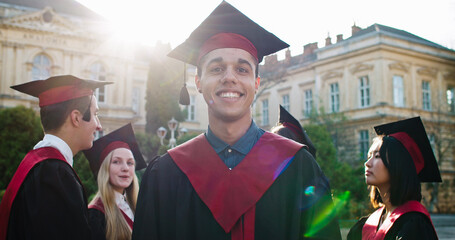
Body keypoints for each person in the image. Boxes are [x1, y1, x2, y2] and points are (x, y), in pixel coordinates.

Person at [132, 2, 341, 240]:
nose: (229, 77)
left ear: (256, 83)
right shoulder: (166, 175)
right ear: (198, 82)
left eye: (242, 70)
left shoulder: (297, 167)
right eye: (217, 68)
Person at [0, 75, 112, 240]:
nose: (99, 124)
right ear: (76, 118)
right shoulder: (55, 175)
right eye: (95, 114)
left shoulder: (38, 162)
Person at [347, 117, 440, 240]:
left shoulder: (413, 225)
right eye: (369, 156)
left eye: (377, 156)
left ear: (399, 165)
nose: (367, 163)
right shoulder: (366, 224)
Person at [83, 123, 147, 240]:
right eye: (116, 162)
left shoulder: (135, 208)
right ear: (105, 169)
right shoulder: (96, 215)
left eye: (130, 163)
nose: (125, 168)